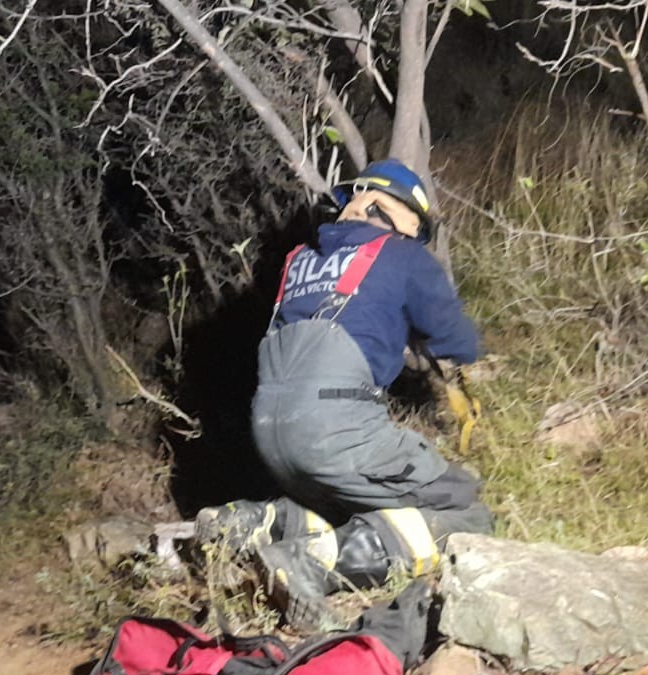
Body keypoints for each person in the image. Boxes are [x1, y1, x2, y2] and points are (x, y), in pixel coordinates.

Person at [197, 159, 492, 630]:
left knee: (352, 501)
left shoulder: (299, 260)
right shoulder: (403, 255)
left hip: (269, 433)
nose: (415, 239)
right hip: (333, 429)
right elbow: (458, 341)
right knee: (463, 508)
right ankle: (315, 563)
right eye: (415, 228)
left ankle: (256, 521)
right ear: (393, 211)